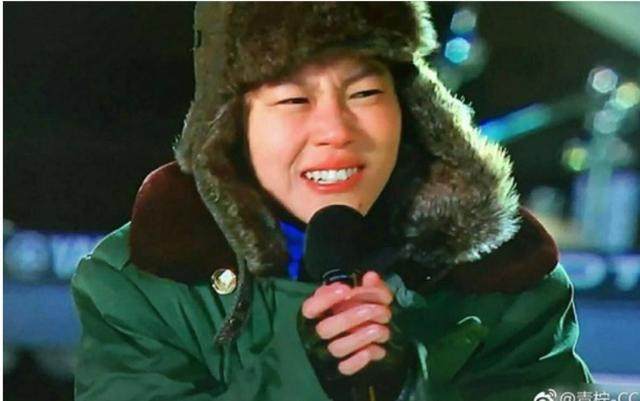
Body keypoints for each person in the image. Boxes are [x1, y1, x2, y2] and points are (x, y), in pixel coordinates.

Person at [71, 3, 593, 401]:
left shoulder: (507, 275)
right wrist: (302, 376)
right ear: (231, 125)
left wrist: (410, 385)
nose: (336, 131)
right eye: (293, 99)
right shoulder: (141, 283)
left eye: (365, 94)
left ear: (410, 106)